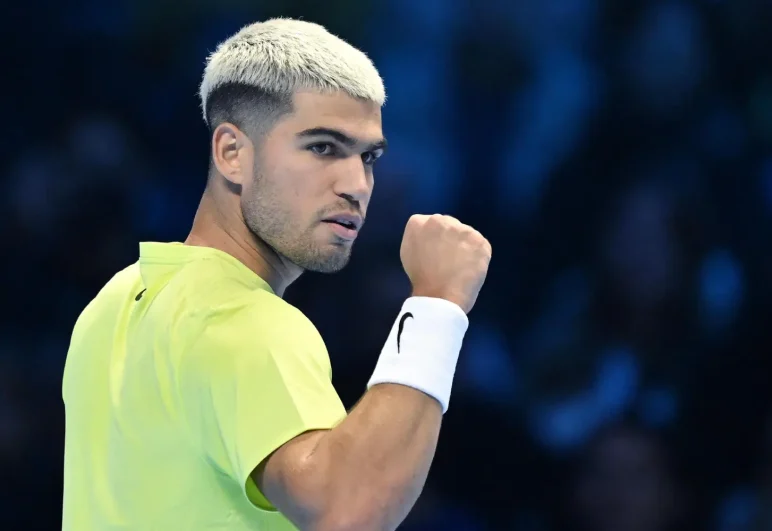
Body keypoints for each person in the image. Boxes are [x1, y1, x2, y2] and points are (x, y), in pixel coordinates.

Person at [61, 18, 491, 531]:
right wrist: (437, 304)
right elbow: (347, 513)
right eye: (323, 147)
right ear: (232, 153)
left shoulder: (114, 301)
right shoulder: (243, 320)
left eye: (368, 157)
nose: (357, 185)